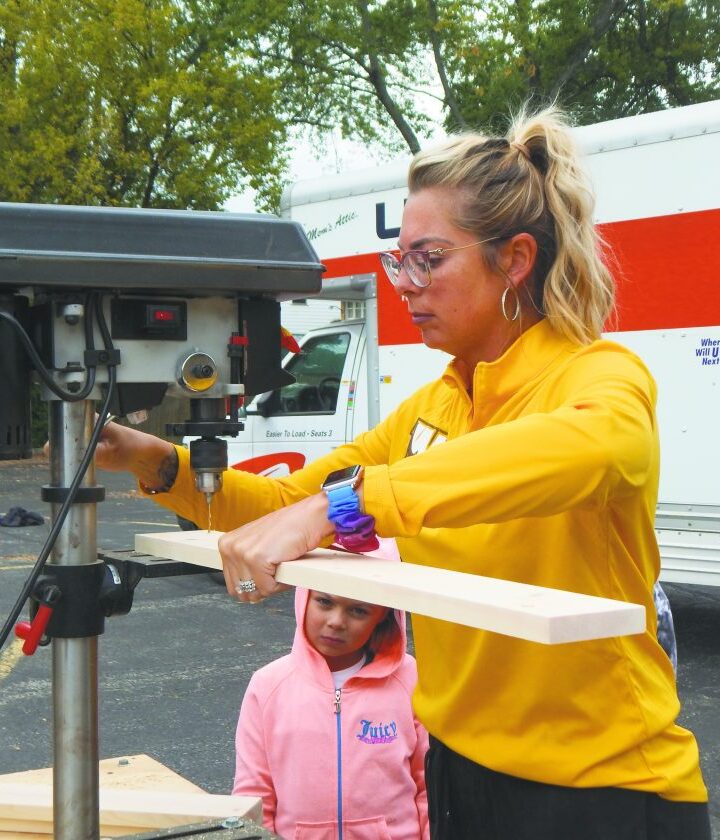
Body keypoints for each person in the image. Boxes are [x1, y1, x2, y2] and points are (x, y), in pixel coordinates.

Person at [96, 105, 710, 839]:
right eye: (399, 260)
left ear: (514, 260)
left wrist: (350, 506)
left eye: (429, 259)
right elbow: (287, 499)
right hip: (459, 767)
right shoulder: (434, 407)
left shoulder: (602, 376)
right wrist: (150, 458)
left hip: (599, 791)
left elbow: (589, 450)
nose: (404, 284)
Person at [233, 585, 430, 839]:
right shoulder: (268, 685)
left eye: (358, 610)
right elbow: (253, 794)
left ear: (383, 614)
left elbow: (430, 789)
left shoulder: (411, 680)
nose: (337, 622)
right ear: (304, 597)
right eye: (324, 602)